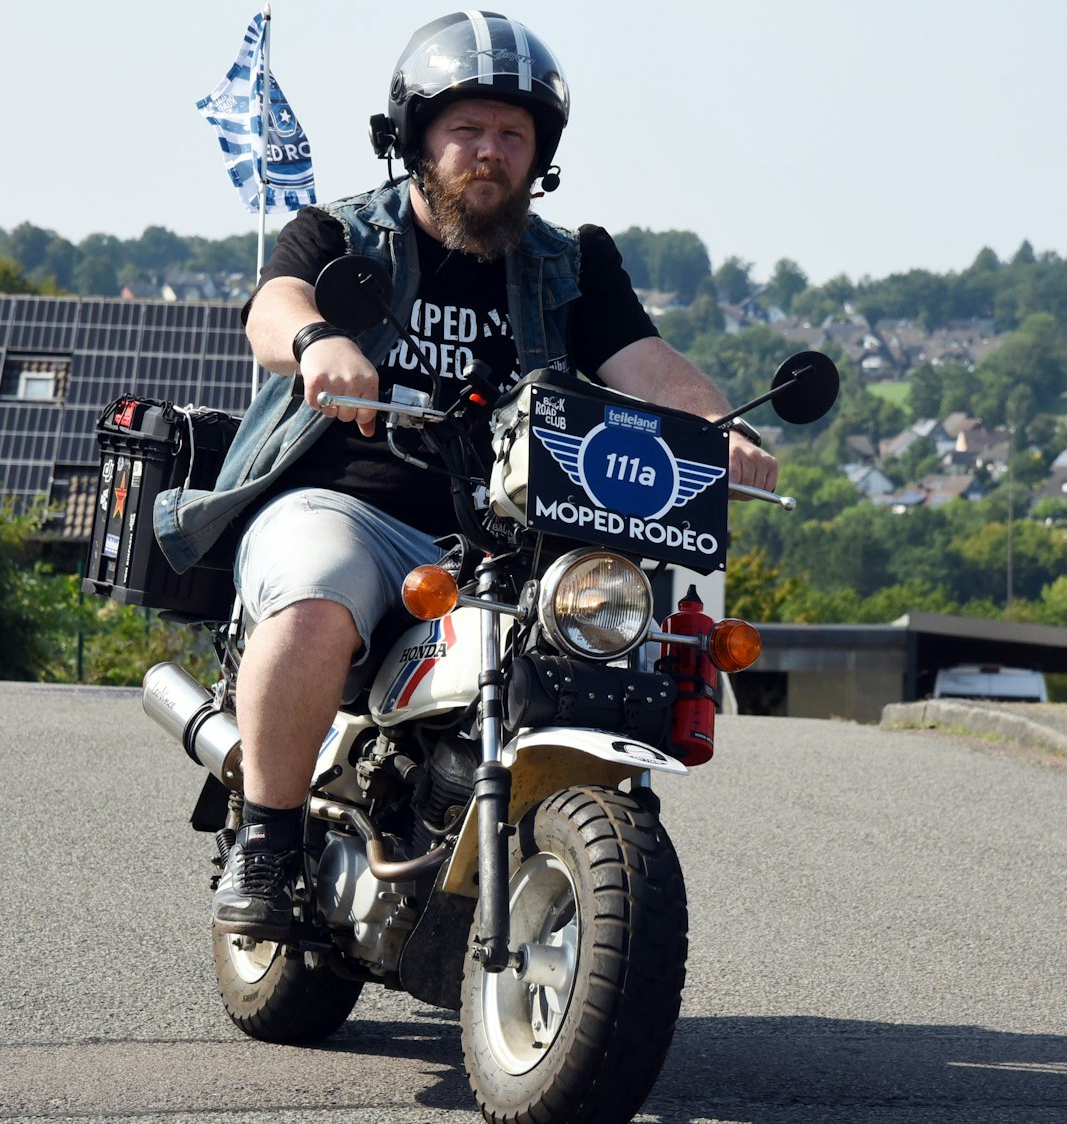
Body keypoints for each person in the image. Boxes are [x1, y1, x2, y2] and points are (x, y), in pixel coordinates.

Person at [196, 10, 777, 936]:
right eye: (464, 128)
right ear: (416, 136)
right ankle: (266, 844)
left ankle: (576, 836)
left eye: (511, 133)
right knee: (313, 594)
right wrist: (316, 341)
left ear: (538, 152)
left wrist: (717, 428)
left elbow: (643, 360)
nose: (488, 151)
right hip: (350, 509)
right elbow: (275, 303)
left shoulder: (571, 263)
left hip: (508, 535)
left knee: (618, 632)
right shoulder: (343, 234)